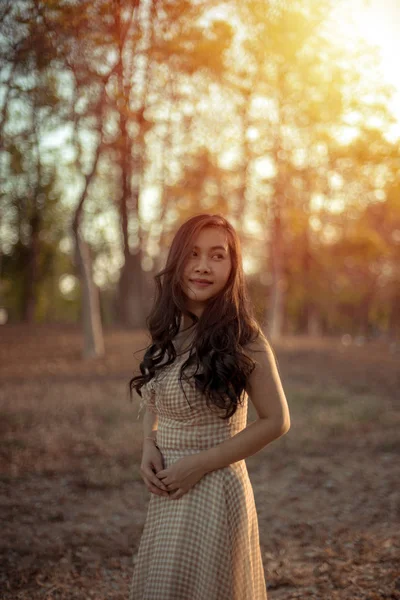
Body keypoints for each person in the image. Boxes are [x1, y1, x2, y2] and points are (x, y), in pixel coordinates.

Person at [129, 213, 290, 600]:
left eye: (218, 256)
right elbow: (158, 397)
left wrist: (198, 464)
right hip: (169, 489)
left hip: (215, 490)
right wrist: (149, 444)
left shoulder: (244, 338)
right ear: (177, 261)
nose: (203, 266)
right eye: (193, 254)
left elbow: (277, 421)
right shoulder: (170, 332)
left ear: (233, 267)